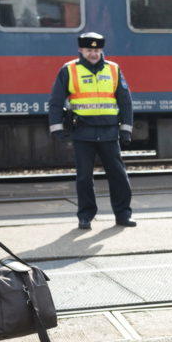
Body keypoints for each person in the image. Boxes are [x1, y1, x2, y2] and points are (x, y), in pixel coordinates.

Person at [48, 32, 135, 230]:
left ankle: (123, 215)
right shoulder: (69, 70)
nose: (93, 54)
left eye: (96, 50)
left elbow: (125, 101)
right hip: (83, 133)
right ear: (80, 50)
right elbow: (55, 101)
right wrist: (56, 128)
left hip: (109, 133)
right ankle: (85, 216)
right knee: (84, 178)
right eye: (89, 50)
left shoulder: (113, 69)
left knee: (119, 177)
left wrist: (126, 129)